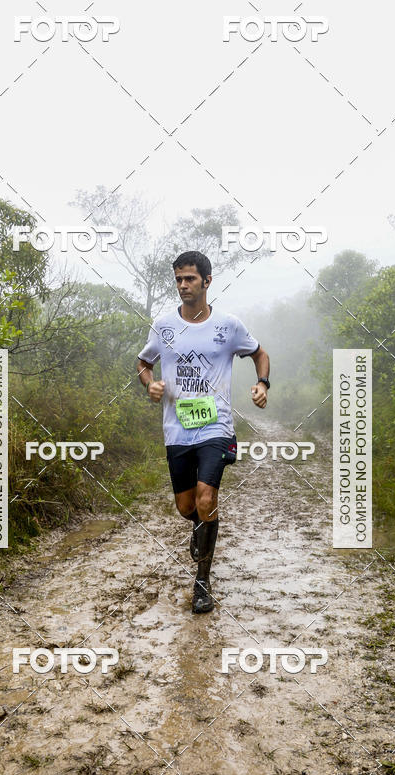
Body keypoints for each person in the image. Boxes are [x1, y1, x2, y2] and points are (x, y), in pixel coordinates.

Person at [137, 250, 270, 614]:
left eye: (190, 279)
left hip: (216, 426)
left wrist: (262, 383)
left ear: (207, 282)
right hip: (177, 429)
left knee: (206, 499)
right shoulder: (163, 325)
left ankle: (202, 583)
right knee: (186, 507)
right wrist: (149, 383)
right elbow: (143, 363)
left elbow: (260, 354)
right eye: (178, 279)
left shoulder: (228, 326)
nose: (183, 285)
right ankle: (201, 529)